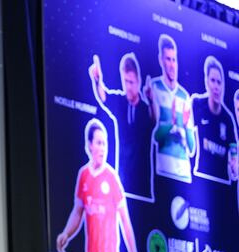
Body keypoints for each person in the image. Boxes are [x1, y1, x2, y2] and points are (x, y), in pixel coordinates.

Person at [56, 118, 140, 252]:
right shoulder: (83, 175)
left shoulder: (112, 177)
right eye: (99, 143)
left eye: (104, 144)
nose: (102, 148)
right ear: (90, 145)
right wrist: (66, 234)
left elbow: (125, 221)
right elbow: (77, 212)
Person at [89, 53, 154, 201]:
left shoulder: (145, 109)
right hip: (123, 181)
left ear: (138, 81)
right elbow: (103, 97)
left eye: (131, 82)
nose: (128, 87)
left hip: (143, 184)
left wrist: (151, 100)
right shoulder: (120, 102)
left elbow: (154, 119)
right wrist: (97, 80)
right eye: (125, 81)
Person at [144, 34, 196, 183]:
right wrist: (172, 123)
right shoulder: (154, 88)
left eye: (174, 59)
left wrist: (185, 126)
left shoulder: (184, 96)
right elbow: (154, 137)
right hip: (162, 171)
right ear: (161, 60)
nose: (172, 65)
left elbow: (191, 148)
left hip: (184, 174)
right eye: (168, 59)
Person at [191, 56, 238, 185]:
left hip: (222, 183)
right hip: (201, 178)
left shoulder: (228, 119)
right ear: (206, 82)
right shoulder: (197, 104)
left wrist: (234, 164)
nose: (216, 86)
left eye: (219, 82)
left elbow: (234, 150)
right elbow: (189, 140)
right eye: (213, 80)